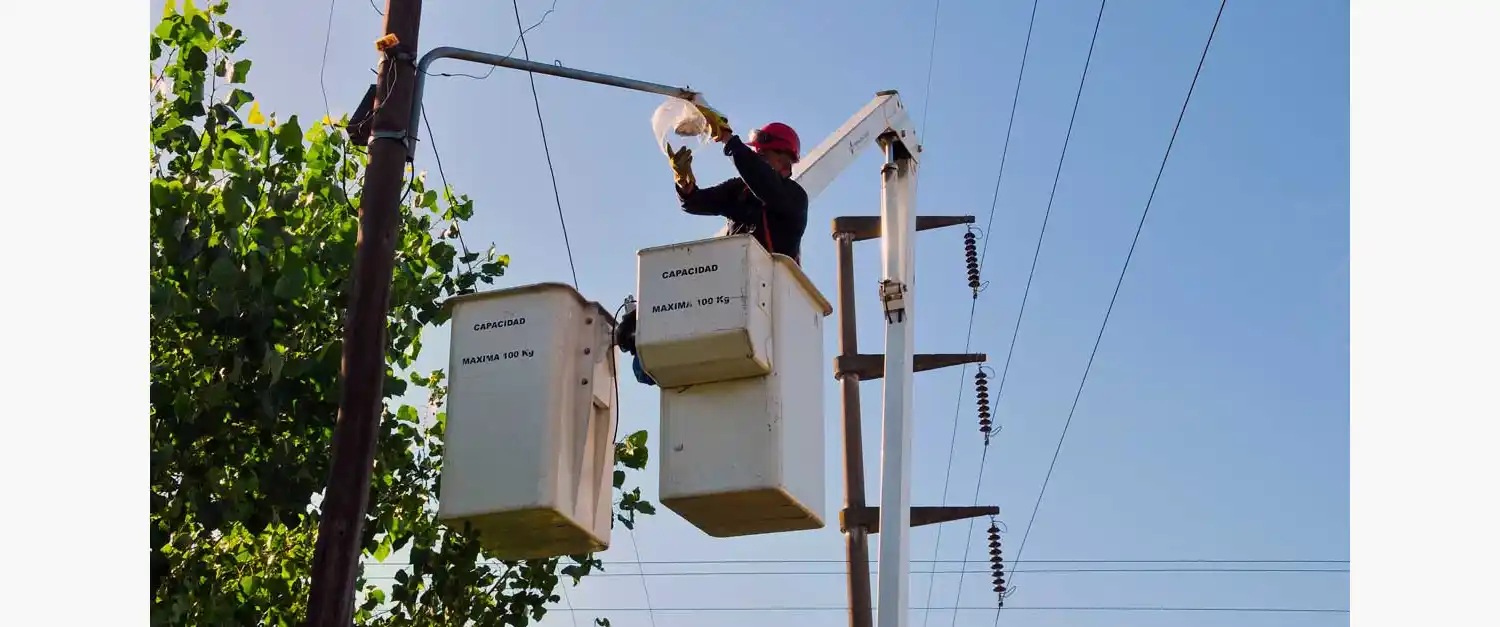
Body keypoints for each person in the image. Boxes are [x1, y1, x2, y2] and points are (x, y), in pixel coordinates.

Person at [619, 109, 810, 386]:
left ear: (785, 163)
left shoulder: (793, 199)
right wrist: (684, 182)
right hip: (731, 297)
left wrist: (730, 141)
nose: (756, 160)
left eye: (762, 155)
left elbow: (765, 185)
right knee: (645, 357)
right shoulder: (740, 192)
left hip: (767, 306)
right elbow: (695, 202)